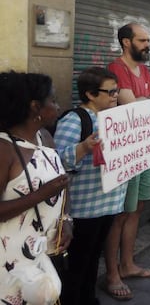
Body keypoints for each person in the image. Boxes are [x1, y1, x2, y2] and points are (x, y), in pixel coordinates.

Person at [55, 67, 129, 303]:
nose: (115, 95)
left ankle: (88, 298)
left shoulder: (115, 116)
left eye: (116, 90)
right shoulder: (74, 119)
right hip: (83, 209)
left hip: (108, 204)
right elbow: (57, 160)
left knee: (93, 257)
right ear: (90, 94)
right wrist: (84, 147)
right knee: (78, 263)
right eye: (110, 91)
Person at [105, 22, 150, 295]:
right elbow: (129, 104)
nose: (147, 45)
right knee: (120, 213)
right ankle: (112, 274)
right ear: (126, 42)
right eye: (142, 40)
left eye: (148, 40)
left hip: (143, 149)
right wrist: (145, 100)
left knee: (137, 208)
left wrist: (143, 100)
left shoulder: (144, 70)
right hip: (124, 152)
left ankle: (128, 264)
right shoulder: (117, 69)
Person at [0, 71, 70, 304]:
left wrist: (66, 220)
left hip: (41, 255)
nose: (58, 106)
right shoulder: (4, 149)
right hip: (8, 259)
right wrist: (39, 195)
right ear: (34, 107)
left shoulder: (45, 138)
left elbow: (61, 184)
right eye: (53, 100)